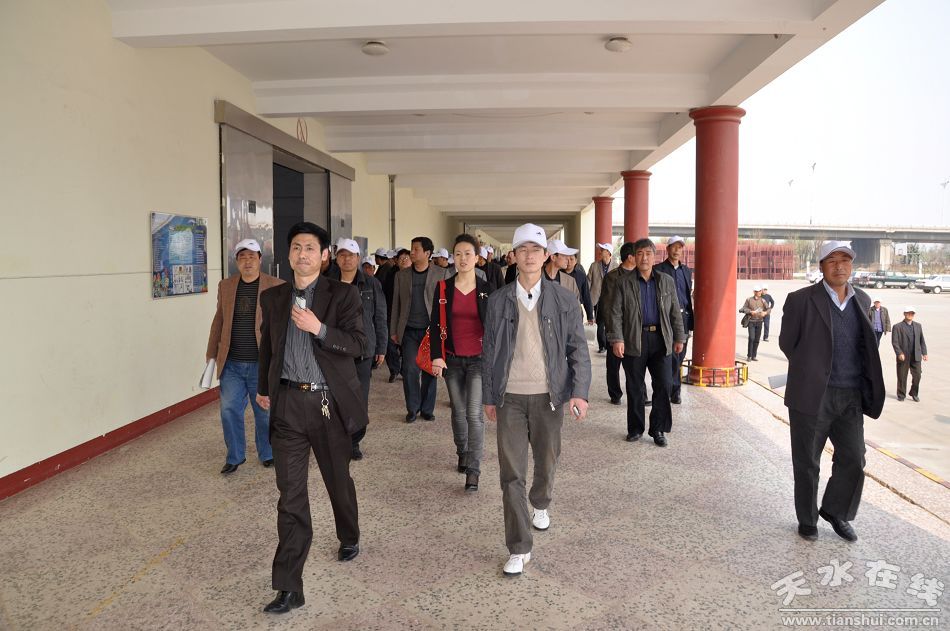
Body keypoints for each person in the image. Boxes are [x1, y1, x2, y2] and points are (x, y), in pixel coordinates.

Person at [255, 222, 367, 614]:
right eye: (296, 247)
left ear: (323, 256)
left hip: (326, 404)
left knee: (338, 481)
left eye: (310, 248)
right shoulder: (274, 298)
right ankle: (289, 586)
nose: (302, 254)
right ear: (288, 255)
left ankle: (348, 533)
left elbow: (358, 344)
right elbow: (268, 348)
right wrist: (265, 388)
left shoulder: (344, 294)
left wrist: (319, 328)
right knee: (290, 497)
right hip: (288, 405)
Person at [482, 223, 591, 576]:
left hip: (549, 397)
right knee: (510, 474)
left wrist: (579, 392)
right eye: (522, 250)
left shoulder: (564, 300)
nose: (529, 256)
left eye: (536, 250)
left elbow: (578, 350)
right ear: (513, 256)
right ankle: (519, 547)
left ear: (546, 256)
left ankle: (541, 501)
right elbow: (489, 351)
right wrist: (489, 395)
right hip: (510, 398)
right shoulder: (498, 300)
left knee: (547, 460)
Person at [779, 241, 884, 543]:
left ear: (852, 265)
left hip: (850, 395)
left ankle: (835, 510)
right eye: (832, 260)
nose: (840, 266)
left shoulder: (862, 299)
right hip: (813, 394)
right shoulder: (801, 300)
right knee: (807, 461)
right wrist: (813, 370)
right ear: (821, 266)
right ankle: (807, 519)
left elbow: (866, 344)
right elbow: (788, 343)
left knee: (854, 457)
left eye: (845, 260)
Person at [206, 238, 284, 474]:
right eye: (242, 257)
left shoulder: (277, 285)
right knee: (229, 410)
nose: (247, 261)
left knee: (264, 412)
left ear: (260, 259)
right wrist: (211, 353)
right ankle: (235, 456)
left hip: (262, 364)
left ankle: (268, 453)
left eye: (252, 256)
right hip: (232, 363)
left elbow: (284, 325)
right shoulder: (226, 286)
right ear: (236, 261)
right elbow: (219, 320)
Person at [608, 238, 685, 447]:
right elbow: (615, 313)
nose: (644, 258)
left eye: (648, 254)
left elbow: (675, 311)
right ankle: (635, 428)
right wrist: (617, 339)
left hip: (661, 339)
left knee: (664, 385)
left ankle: (658, 428)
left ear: (654, 256)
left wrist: (679, 337)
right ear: (634, 257)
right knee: (635, 386)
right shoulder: (624, 282)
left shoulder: (666, 281)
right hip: (634, 338)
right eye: (640, 254)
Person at [430, 234, 492, 492]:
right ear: (452, 258)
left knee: (474, 414)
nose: (463, 258)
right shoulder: (443, 288)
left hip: (479, 359)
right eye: (458, 254)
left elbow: (494, 327)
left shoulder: (487, 289)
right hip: (452, 359)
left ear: (477, 258)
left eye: (468, 254)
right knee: (458, 411)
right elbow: (435, 324)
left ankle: (474, 470)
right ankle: (463, 451)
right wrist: (437, 355)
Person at [327, 239, 388, 460]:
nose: (346, 259)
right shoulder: (327, 283)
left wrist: (382, 347)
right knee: (335, 397)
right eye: (342, 255)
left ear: (358, 258)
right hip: (335, 350)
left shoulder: (371, 283)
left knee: (359, 399)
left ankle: (354, 441)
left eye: (350, 255)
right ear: (336, 259)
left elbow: (379, 316)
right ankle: (339, 439)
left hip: (363, 350)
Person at [391, 237, 449, 422]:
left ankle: (427, 409)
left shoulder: (442, 274)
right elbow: (396, 305)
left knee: (430, 370)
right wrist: (394, 330)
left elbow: (447, 304)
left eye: (416, 249)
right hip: (409, 330)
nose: (412, 252)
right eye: (411, 249)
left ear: (427, 253)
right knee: (409, 369)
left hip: (431, 331)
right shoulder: (401, 275)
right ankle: (413, 408)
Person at [653, 235, 693, 404]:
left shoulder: (686, 271)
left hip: (683, 318)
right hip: (665, 318)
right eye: (674, 247)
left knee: (679, 355)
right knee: (667, 355)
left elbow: (688, 295)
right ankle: (670, 389)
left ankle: (674, 389)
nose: (677, 250)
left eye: (680, 247)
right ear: (667, 249)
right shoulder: (658, 270)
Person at [598, 245, 633, 405]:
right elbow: (607, 304)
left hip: (634, 327)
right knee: (614, 364)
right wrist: (611, 328)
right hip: (616, 326)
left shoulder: (640, 274)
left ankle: (640, 392)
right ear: (630, 257)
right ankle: (615, 393)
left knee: (636, 364)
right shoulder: (612, 277)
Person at [381, 248, 410, 382]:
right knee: (389, 344)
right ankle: (394, 370)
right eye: (401, 258)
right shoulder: (391, 275)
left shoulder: (415, 275)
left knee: (406, 345)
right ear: (396, 261)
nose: (403, 261)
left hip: (408, 316)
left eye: (406, 258)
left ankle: (405, 370)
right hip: (391, 314)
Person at [891, 306, 928, 402]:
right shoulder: (897, 327)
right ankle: (901, 394)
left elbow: (922, 340)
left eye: (912, 313)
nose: (910, 315)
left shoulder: (918, 326)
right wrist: (899, 353)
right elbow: (895, 342)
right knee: (902, 376)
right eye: (908, 313)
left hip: (916, 355)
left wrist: (924, 353)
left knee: (917, 376)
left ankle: (914, 393)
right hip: (903, 356)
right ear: (904, 314)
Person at [587, 243, 618, 353]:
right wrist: (586, 296)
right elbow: (588, 281)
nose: (600, 251)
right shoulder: (594, 265)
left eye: (603, 250)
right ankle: (602, 346)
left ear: (609, 252)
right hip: (597, 298)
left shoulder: (616, 266)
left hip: (611, 299)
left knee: (610, 322)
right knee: (600, 322)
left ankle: (609, 344)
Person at [740, 285, 769, 361]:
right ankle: (749, 356)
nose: (759, 292)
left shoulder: (763, 300)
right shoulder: (749, 299)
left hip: (759, 322)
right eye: (757, 291)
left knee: (757, 339)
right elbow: (743, 308)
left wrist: (765, 313)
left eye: (760, 291)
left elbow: (768, 309)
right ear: (754, 292)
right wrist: (750, 311)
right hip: (751, 322)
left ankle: (754, 356)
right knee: (751, 338)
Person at [565, 253, 594, 325]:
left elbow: (586, 296)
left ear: (576, 260)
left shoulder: (581, 275)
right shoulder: (557, 274)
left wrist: (590, 316)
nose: (569, 262)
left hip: (576, 310)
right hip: (561, 310)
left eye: (571, 259)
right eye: (566, 259)